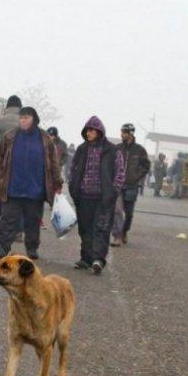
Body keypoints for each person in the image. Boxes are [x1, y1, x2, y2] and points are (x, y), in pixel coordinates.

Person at [0, 107, 62, 260]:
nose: (23, 120)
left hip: (35, 189)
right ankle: (1, 246)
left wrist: (57, 181)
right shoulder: (10, 136)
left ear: (34, 119)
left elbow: (53, 162)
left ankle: (32, 248)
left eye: (26, 117)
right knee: (7, 219)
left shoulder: (45, 138)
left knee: (33, 222)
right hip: (13, 187)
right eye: (21, 117)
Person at [69, 116, 125, 274]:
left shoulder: (112, 150)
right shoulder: (81, 149)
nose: (88, 133)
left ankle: (98, 259)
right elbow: (73, 169)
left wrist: (113, 191)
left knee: (101, 229)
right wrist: (73, 187)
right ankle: (85, 258)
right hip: (84, 196)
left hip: (103, 198)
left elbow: (120, 173)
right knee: (85, 229)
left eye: (91, 130)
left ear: (99, 131)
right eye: (87, 130)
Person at [0, 95, 22, 231]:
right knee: (17, 198)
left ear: (7, 107)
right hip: (19, 163)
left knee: (1, 196)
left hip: (1, 163)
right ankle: (17, 230)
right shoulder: (24, 121)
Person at [113, 123, 150, 244]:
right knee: (117, 211)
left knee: (129, 214)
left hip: (131, 186)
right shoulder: (117, 148)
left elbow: (146, 166)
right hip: (118, 186)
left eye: (124, 132)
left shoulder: (139, 150)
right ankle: (117, 236)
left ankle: (124, 231)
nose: (122, 134)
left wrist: (136, 176)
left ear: (131, 133)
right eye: (121, 131)